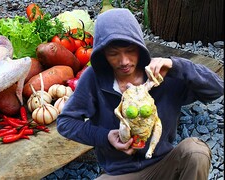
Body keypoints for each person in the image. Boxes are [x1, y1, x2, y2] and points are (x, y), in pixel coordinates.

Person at [56, 8, 224, 180]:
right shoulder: (94, 79)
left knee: (196, 152)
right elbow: (65, 123)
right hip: (120, 173)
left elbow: (216, 89)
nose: (124, 61)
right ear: (102, 53)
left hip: (164, 164)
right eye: (113, 54)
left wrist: (177, 65)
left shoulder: (162, 75)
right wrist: (105, 137)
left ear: (139, 47)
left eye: (130, 51)